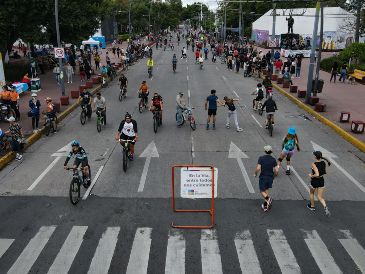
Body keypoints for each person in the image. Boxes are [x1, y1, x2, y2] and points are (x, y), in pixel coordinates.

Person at [254, 145, 279, 212]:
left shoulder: (261, 158)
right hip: (270, 177)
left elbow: (258, 168)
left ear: (265, 151)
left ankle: (268, 199)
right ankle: (266, 206)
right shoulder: (273, 159)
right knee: (266, 190)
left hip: (263, 176)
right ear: (271, 151)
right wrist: (275, 175)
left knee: (262, 190)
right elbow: (276, 170)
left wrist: (255, 173)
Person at [307, 151, 331, 217]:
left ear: (315, 156)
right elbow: (322, 173)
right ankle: (325, 207)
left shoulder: (313, 164)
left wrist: (311, 176)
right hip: (321, 180)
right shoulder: (323, 163)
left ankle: (312, 206)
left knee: (311, 193)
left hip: (315, 181)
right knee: (320, 197)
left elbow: (317, 174)